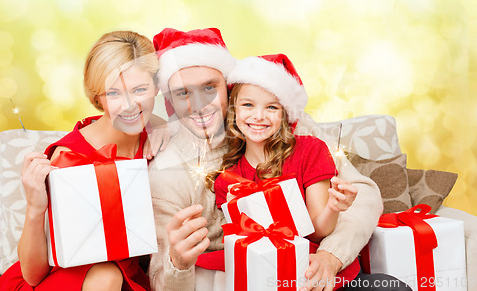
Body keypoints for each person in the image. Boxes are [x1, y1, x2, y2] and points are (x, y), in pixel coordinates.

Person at [147, 27, 411, 291]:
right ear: (169, 99)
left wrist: (331, 256)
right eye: (183, 93)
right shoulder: (166, 169)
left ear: (229, 87)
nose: (199, 105)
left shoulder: (281, 124)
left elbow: (363, 194)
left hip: (310, 268)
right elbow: (160, 280)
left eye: (209, 87)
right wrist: (178, 263)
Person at [0, 31, 168, 291]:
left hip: (126, 279)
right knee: (106, 273)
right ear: (98, 97)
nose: (130, 105)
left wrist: (159, 123)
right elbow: (33, 275)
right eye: (113, 94)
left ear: (157, 86)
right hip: (63, 281)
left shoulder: (159, 135)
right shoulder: (70, 158)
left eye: (140, 90)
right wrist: (34, 208)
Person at [212, 54, 357, 244]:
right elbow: (245, 244)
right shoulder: (228, 180)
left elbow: (318, 231)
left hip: (308, 259)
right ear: (234, 110)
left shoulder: (311, 150)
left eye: (271, 107)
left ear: (284, 114)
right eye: (248, 105)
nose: (258, 116)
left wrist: (333, 208)